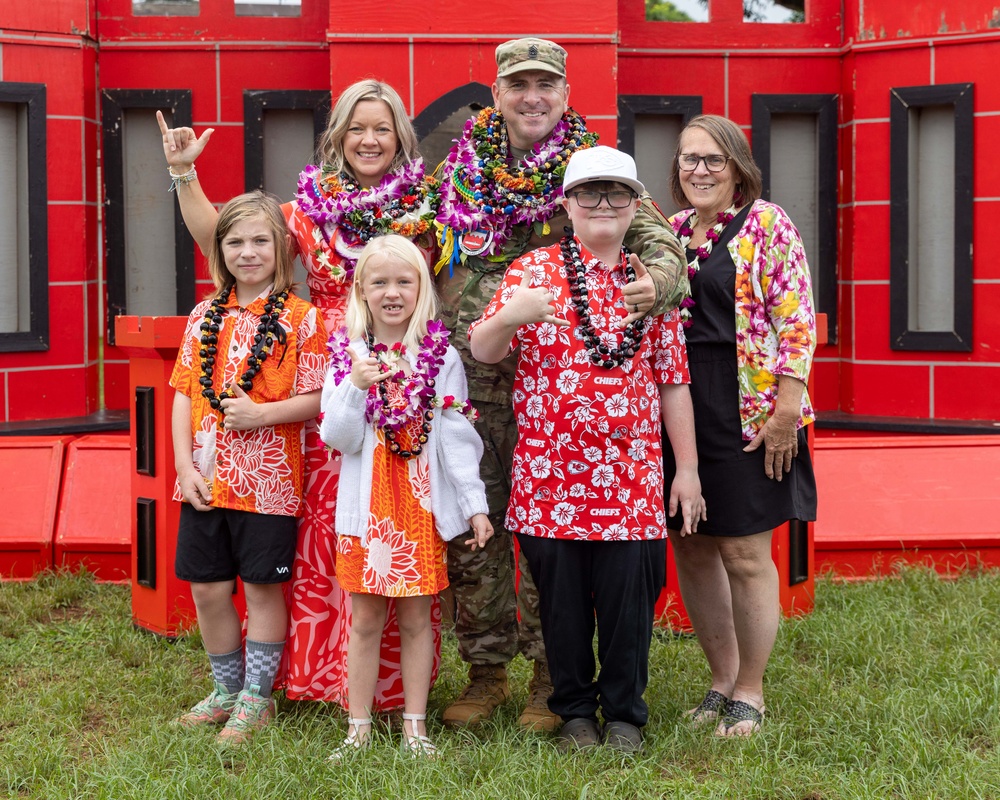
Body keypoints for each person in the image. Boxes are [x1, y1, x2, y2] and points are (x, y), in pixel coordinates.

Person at [157, 79, 440, 709]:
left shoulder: (431, 206)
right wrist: (185, 175)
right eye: (356, 127)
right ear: (337, 136)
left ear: (400, 138)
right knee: (323, 532)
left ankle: (393, 690)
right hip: (326, 377)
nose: (369, 139)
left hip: (402, 375)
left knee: (392, 522)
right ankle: (315, 679)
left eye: (382, 128)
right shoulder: (311, 208)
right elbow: (228, 236)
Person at [433, 36, 689, 732]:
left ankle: (553, 677)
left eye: (546, 83)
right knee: (478, 531)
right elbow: (407, 246)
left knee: (557, 536)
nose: (532, 96)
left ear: (566, 94)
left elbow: (664, 247)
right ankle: (486, 671)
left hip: (572, 386)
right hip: (478, 383)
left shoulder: (592, 173)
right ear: (497, 95)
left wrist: (652, 290)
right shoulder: (457, 173)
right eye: (518, 84)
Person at [469, 146, 705, 752]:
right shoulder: (532, 272)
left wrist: (689, 474)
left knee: (630, 603)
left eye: (617, 195)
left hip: (630, 479)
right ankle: (573, 711)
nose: (603, 205)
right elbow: (484, 350)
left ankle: (624, 712)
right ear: (567, 205)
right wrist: (509, 317)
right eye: (589, 195)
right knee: (563, 607)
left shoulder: (652, 284)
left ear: (635, 206)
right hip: (551, 480)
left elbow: (673, 381)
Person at [663, 114, 818, 737]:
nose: (699, 170)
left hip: (749, 410)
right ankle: (721, 679)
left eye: (712, 160)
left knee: (746, 553)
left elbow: (798, 321)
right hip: (676, 410)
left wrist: (786, 412)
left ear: (737, 168)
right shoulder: (670, 232)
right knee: (693, 546)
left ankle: (751, 690)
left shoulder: (766, 224)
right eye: (688, 158)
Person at [320, 235, 492, 757]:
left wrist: (474, 505)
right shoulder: (347, 356)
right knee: (367, 619)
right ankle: (359, 727)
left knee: (419, 618)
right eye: (380, 282)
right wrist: (355, 385)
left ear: (422, 289)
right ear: (361, 291)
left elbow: (458, 439)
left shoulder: (440, 359)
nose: (392, 293)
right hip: (367, 509)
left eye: (404, 281)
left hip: (419, 505)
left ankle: (414, 725)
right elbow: (338, 437)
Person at [169, 191, 329, 744]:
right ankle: (226, 689)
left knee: (262, 589)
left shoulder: (303, 319)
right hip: (206, 477)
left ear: (282, 250)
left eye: (261, 240)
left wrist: (261, 414)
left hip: (269, 482)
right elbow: (183, 394)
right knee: (208, 589)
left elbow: (315, 400)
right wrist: (183, 466)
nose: (248, 251)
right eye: (235, 241)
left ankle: (257, 700)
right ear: (220, 251)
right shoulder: (201, 316)